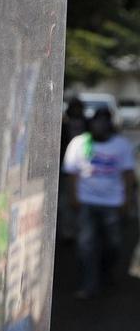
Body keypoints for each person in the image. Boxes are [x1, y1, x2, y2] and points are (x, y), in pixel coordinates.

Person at [62, 105, 134, 299]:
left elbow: (128, 175)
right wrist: (73, 197)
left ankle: (105, 272)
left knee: (114, 244)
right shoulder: (79, 143)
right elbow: (72, 174)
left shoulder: (121, 145)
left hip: (113, 203)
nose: (99, 125)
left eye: (103, 120)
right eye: (95, 120)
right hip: (86, 201)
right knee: (86, 245)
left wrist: (127, 201)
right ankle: (88, 284)